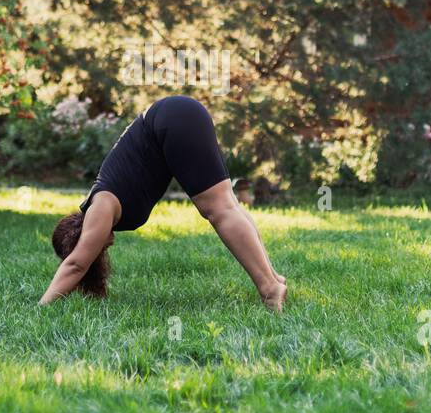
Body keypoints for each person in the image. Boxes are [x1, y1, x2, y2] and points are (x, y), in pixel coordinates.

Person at [40, 95, 287, 311]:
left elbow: (76, 264)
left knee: (219, 209)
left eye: (93, 248)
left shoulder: (100, 207)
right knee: (227, 205)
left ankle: (269, 287)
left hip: (174, 119)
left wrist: (42, 307)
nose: (101, 249)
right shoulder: (104, 199)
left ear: (79, 237)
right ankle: (273, 279)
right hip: (178, 114)